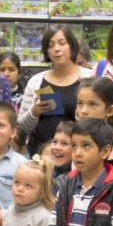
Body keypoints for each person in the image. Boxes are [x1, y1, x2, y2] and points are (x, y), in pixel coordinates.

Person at [19, 25, 92, 156]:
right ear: (46, 52)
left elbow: (99, 121)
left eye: (62, 43)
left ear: (72, 46)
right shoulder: (36, 82)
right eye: (50, 45)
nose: (57, 49)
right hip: (40, 155)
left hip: (79, 155)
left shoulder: (90, 78)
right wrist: (34, 112)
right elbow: (22, 127)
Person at [76, 78, 113, 169]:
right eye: (80, 103)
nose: (83, 111)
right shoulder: (78, 136)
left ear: (110, 110)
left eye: (92, 104)